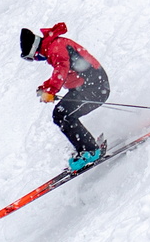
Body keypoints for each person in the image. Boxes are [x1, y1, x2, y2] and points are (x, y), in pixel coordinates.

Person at [20, 22, 111, 170]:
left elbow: (61, 69)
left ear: (36, 51)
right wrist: (46, 88)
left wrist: (51, 90)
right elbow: (62, 71)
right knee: (61, 114)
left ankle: (90, 150)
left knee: (63, 115)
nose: (37, 60)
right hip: (86, 88)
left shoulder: (56, 47)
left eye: (33, 58)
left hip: (95, 87)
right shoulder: (54, 46)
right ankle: (88, 148)